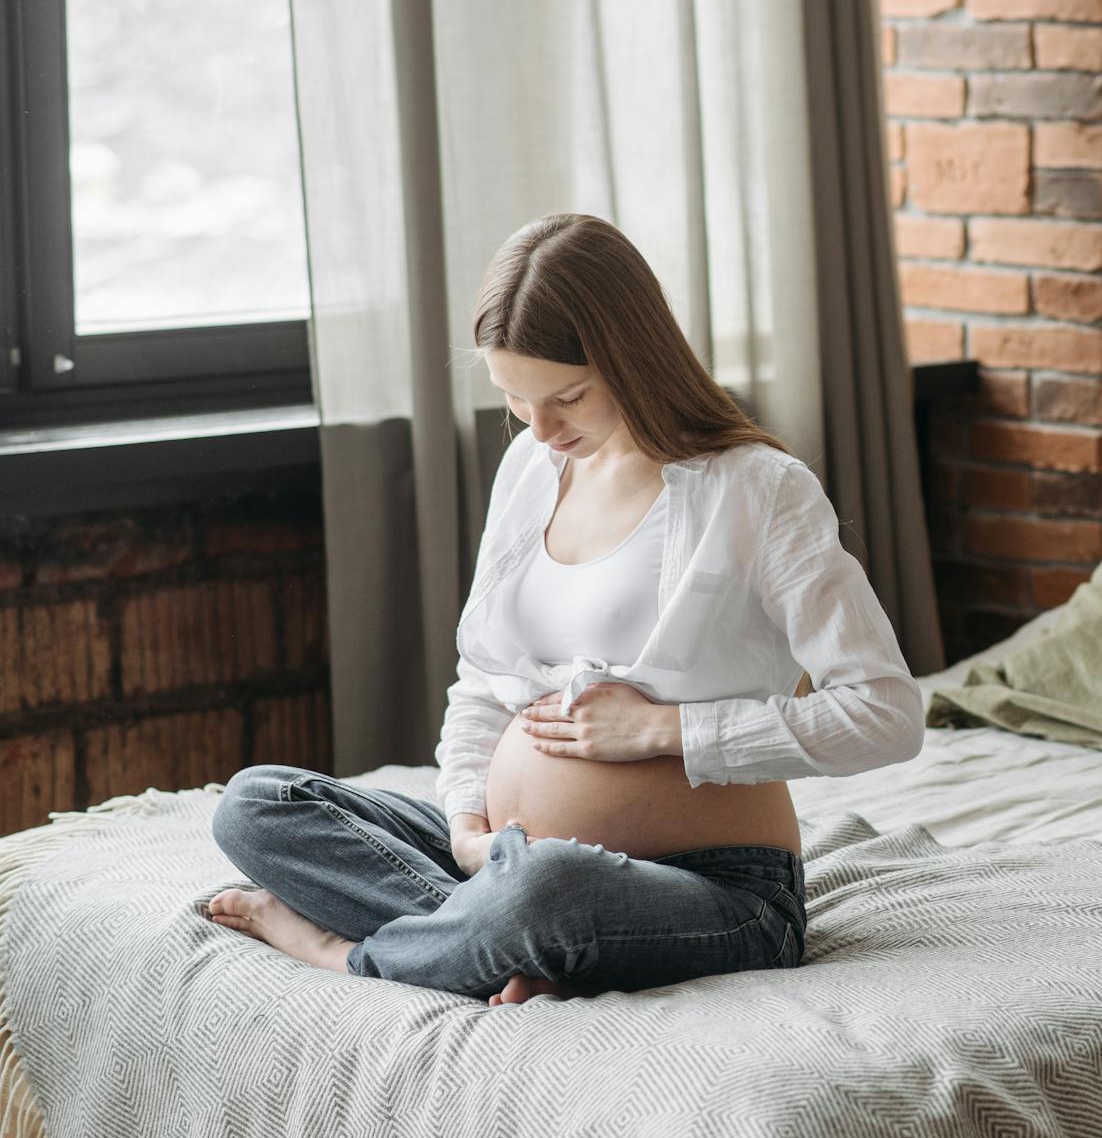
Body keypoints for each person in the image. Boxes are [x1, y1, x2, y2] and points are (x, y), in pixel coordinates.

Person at [202, 211, 924, 1004]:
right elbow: (483, 683)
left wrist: (662, 730)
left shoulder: (756, 490)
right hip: (507, 862)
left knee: (547, 891)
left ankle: (351, 954)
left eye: (566, 398)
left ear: (632, 358)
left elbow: (886, 713)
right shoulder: (532, 468)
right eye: (515, 399)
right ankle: (491, 935)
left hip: (716, 892)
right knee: (257, 805)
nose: (540, 429)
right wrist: (467, 825)